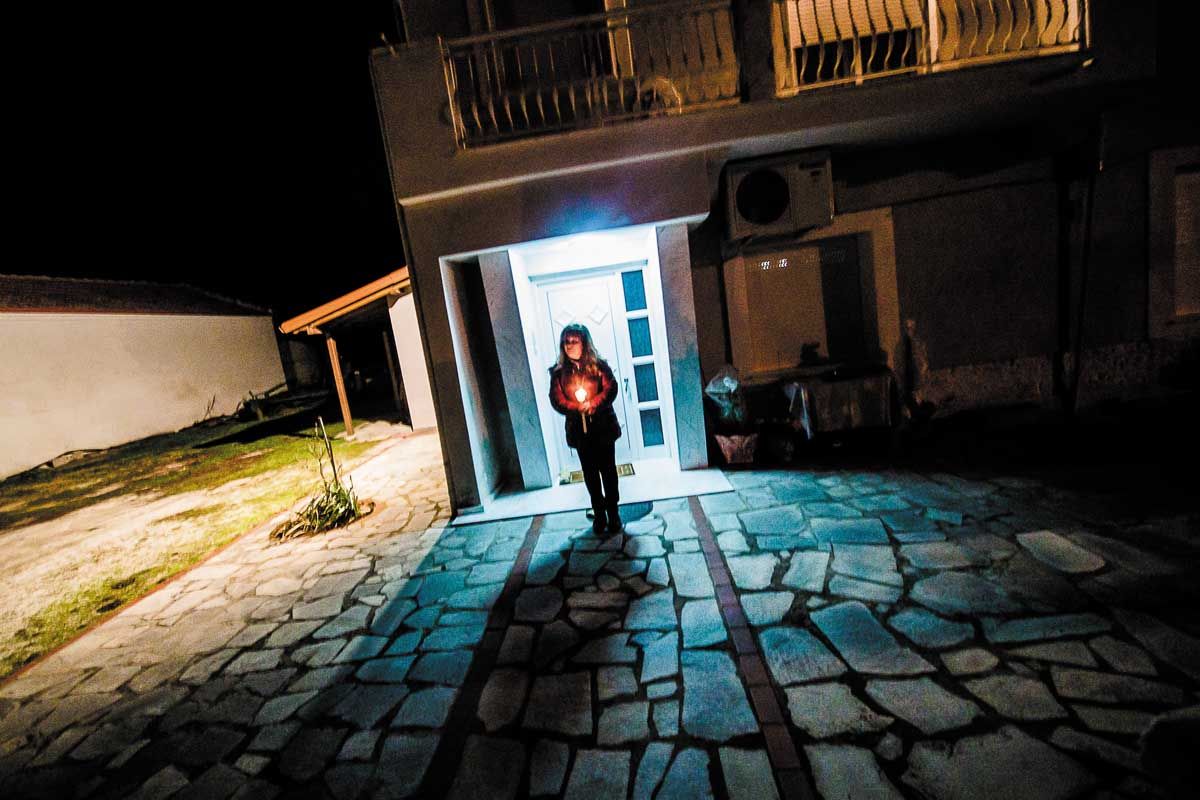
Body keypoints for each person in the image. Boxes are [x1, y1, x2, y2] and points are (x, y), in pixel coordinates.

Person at [549, 323, 623, 534]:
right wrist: (576, 408)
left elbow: (611, 388)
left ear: (584, 343)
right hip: (580, 432)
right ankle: (599, 513)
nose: (569, 345)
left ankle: (613, 512)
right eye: (566, 341)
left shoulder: (598, 366)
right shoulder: (559, 373)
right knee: (590, 474)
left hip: (603, 429)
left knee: (608, 472)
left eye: (574, 341)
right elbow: (556, 399)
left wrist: (593, 404)